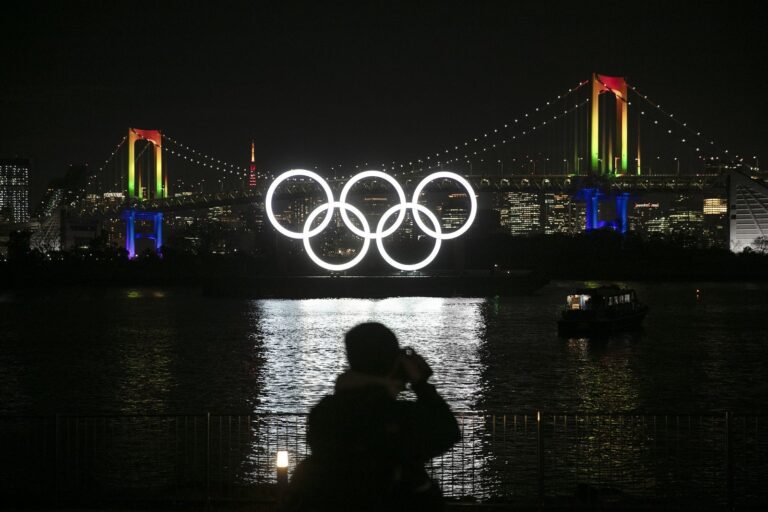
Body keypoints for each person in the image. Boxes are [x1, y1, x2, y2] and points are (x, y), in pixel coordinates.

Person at [280, 322, 460, 511]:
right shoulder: (399, 417)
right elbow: (448, 431)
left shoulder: (324, 411)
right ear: (394, 362)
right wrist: (421, 384)